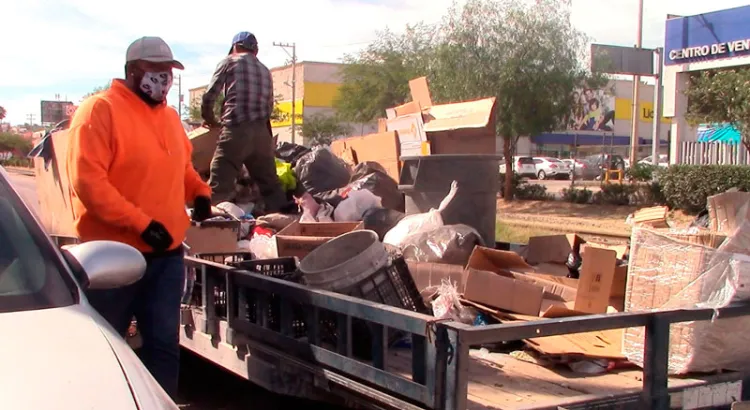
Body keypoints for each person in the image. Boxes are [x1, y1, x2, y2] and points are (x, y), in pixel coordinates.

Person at [66, 36, 212, 399]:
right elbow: (89, 183)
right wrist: (141, 224)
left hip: (166, 257)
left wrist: (200, 193)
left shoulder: (170, 118)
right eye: (155, 71)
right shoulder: (100, 110)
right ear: (132, 71)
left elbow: (182, 169)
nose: (163, 79)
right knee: (108, 345)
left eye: (168, 72)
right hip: (111, 258)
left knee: (163, 344)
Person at [201, 31, 286, 212]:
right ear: (255, 51)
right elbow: (269, 105)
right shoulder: (265, 70)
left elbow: (210, 96)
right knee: (270, 184)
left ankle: (213, 227)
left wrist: (210, 120)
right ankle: (285, 221)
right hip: (262, 135)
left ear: (234, 47)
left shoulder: (229, 62)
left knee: (220, 182)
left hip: (236, 130)